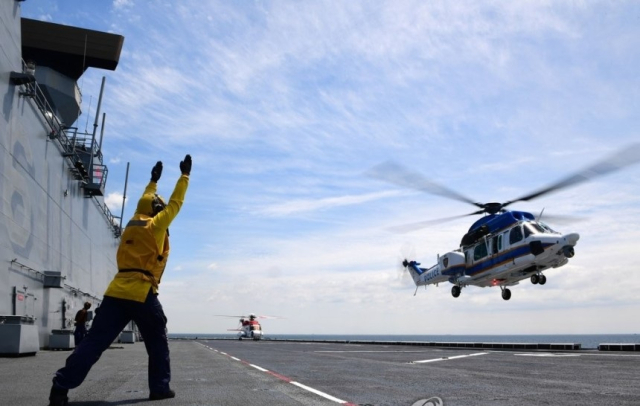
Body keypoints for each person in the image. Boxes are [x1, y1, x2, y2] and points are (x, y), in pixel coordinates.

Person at [48, 155, 192, 406]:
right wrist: (184, 177)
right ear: (156, 209)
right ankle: (159, 388)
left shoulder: (131, 224)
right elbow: (176, 204)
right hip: (141, 292)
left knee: (93, 343)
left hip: (115, 291)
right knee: (157, 341)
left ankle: (60, 386)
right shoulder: (155, 226)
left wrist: (153, 181)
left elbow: (144, 202)